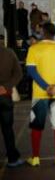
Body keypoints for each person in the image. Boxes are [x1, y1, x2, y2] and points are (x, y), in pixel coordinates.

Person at [26, 22, 55, 167]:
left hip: (40, 94)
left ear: (42, 32)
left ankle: (35, 158)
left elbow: (31, 71)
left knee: (37, 126)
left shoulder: (34, 49)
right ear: (54, 34)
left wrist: (46, 87)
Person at [0, 35, 24, 168]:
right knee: (7, 129)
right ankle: (12, 159)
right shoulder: (9, 53)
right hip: (5, 96)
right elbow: (18, 74)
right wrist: (6, 87)